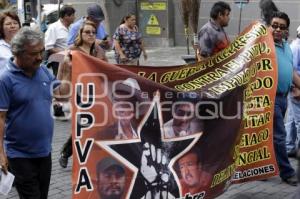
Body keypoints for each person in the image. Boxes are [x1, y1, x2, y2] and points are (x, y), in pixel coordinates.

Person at [0, 27, 71, 199]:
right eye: (34, 53)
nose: (40, 57)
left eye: (41, 52)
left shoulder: (43, 72)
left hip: (45, 152)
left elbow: (61, 94)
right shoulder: (6, 79)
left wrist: (67, 71)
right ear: (18, 53)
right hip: (19, 155)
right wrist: (0, 153)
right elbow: (0, 118)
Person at [58, 21, 108, 168]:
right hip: (77, 94)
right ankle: (67, 153)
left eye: (93, 32)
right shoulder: (72, 51)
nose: (91, 34)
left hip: (95, 94)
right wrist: (60, 96)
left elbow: (109, 68)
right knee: (82, 125)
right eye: (87, 32)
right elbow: (63, 73)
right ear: (80, 34)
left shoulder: (98, 51)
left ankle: (83, 154)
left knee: (92, 126)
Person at [270, 11, 300, 186]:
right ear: (269, 26)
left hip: (283, 98)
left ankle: (264, 167)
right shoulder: (263, 47)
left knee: (273, 135)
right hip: (268, 99)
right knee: (280, 135)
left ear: (287, 30)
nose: (277, 29)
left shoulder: (287, 47)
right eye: (274, 25)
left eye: (281, 27)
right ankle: (287, 172)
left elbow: (292, 72)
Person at [45, 5, 75, 76]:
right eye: (73, 15)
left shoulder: (72, 27)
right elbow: (49, 47)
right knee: (60, 81)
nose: (75, 17)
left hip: (71, 58)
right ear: (66, 16)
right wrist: (65, 53)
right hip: (58, 60)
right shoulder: (53, 28)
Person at [285, 26, 300, 158]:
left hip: (296, 87)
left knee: (292, 119)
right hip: (297, 88)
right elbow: (292, 69)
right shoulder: (296, 47)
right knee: (299, 120)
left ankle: (289, 147)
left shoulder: (295, 45)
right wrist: (295, 88)